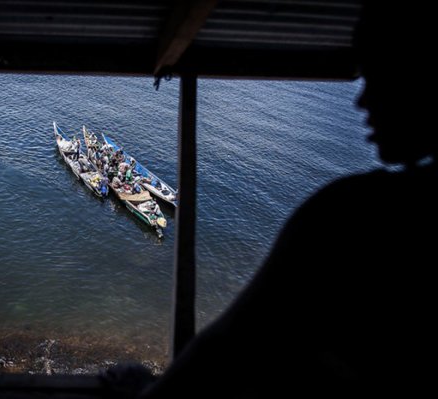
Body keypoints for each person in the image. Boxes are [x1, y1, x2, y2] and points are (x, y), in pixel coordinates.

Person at [140, 2, 437, 398]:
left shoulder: (349, 212)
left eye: (379, 77)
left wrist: (147, 393)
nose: (361, 102)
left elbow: (222, 348)